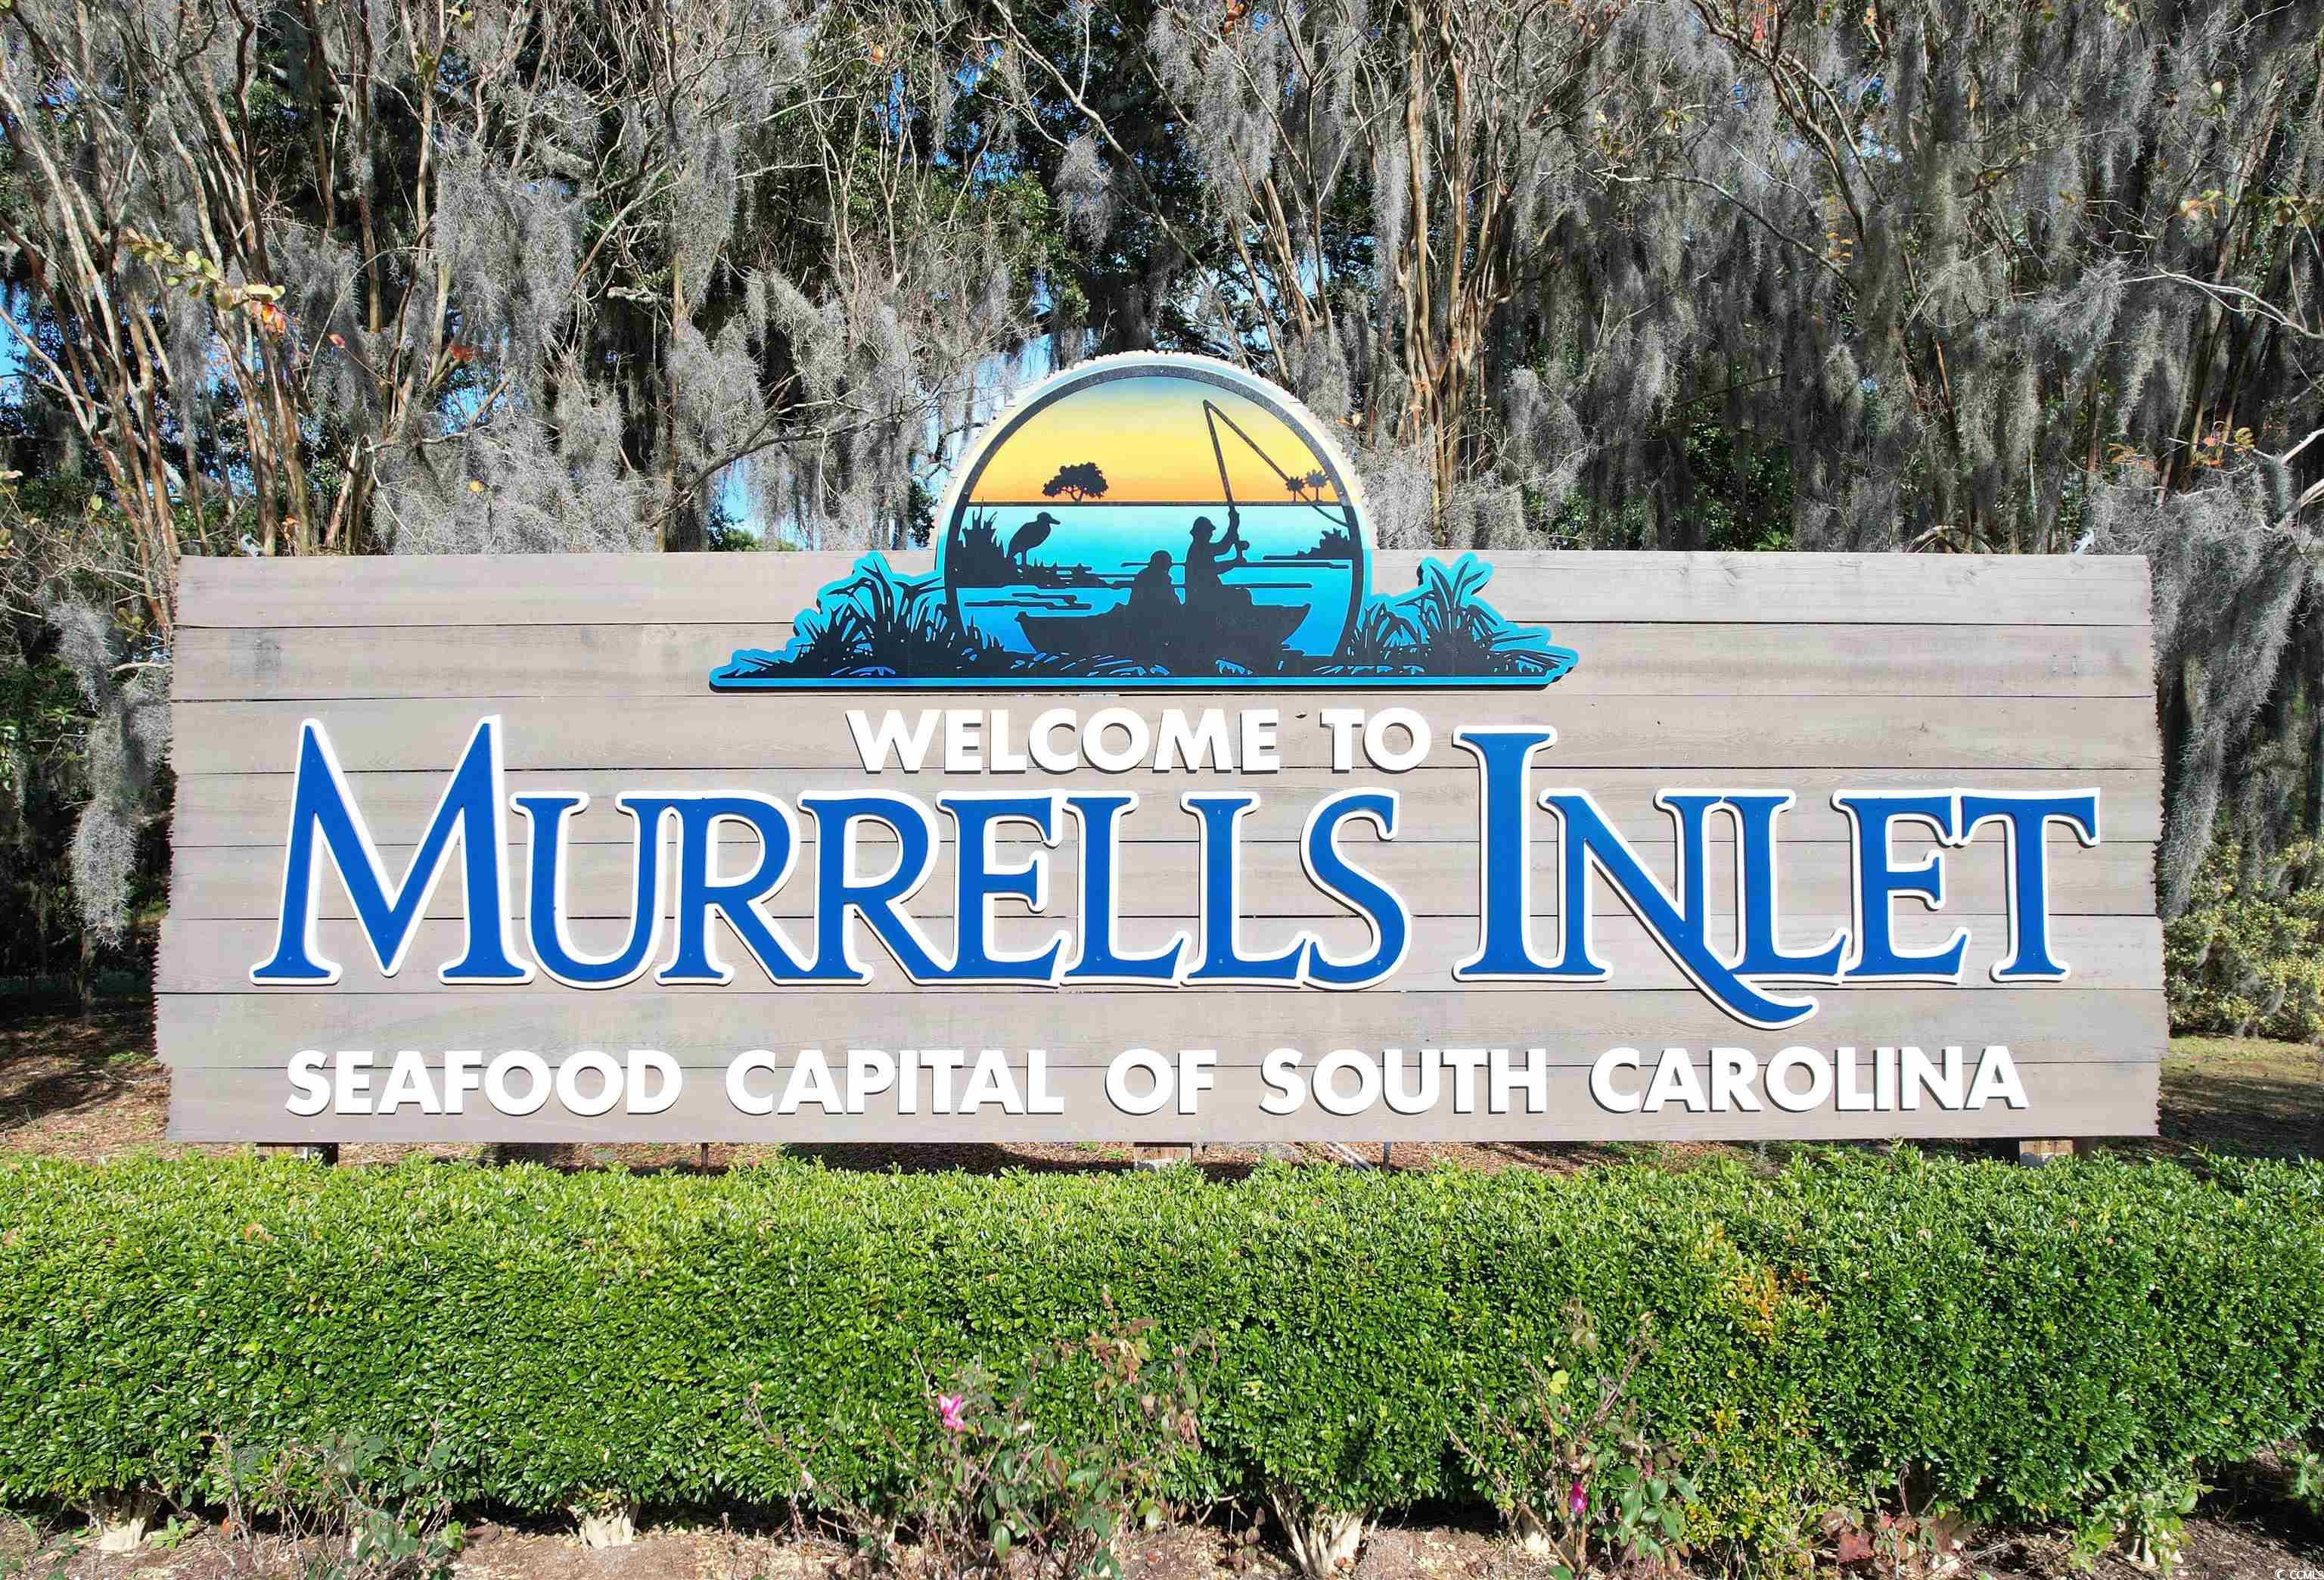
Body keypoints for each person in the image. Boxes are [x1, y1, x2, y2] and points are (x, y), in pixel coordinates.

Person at [1125, 549, 1178, 622]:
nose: (1171, 564)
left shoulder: (1143, 573)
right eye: (1169, 562)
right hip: (1153, 618)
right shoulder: (1162, 578)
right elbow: (1171, 600)